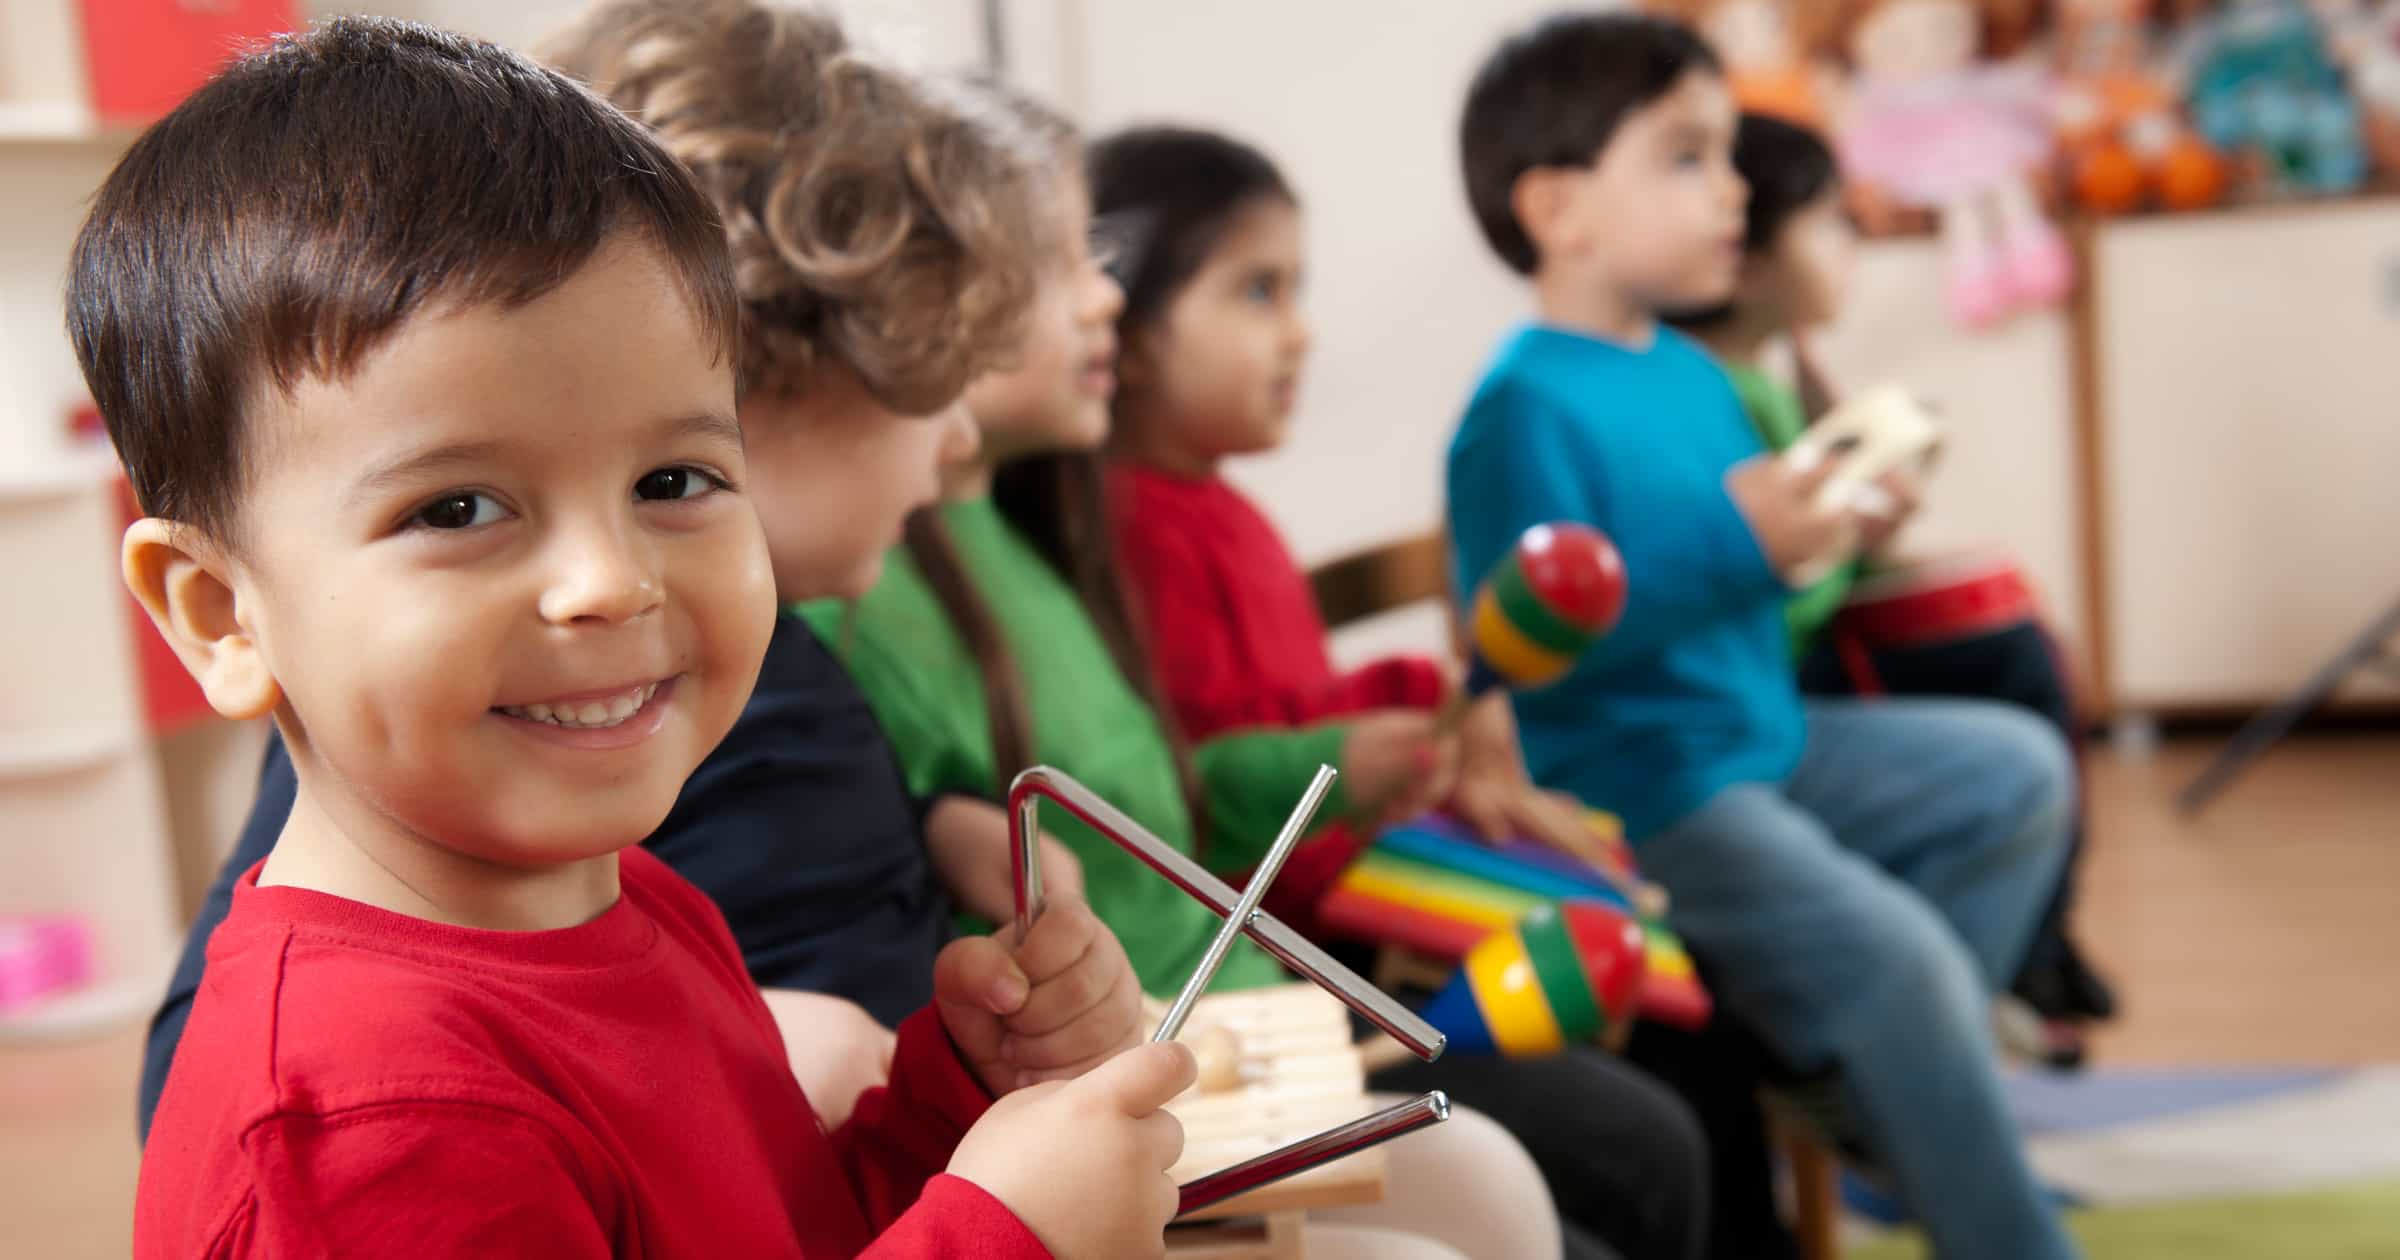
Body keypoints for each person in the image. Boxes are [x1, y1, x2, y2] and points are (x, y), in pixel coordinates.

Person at [84, 17, 1182, 1256]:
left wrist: (961, 1111)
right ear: (223, 615)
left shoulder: (632, 903)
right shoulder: (370, 1130)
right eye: (456, 508)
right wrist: (1005, 1236)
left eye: (673, 480)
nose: (609, 582)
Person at [805, 89, 1708, 1260]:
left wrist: (1355, 749)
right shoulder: (881, 593)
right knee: (1608, 1164)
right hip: (1159, 1063)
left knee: (1570, 1158)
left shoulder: (1038, 541)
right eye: (1063, 263)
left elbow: (1163, 802)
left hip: (1243, 1013)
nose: (1106, 303)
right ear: (915, 310)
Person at [1446, 12, 2081, 1259]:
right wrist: (1747, 545)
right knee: (1906, 973)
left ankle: (1859, 1088)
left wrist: (1833, 525)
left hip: (1767, 742)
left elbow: (1748, 574)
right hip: (1650, 792)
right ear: (1561, 211)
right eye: (1688, 158)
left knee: (2020, 775)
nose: (1733, 189)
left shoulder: (1686, 370)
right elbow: (1531, 648)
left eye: (1729, 156)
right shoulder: (1519, 409)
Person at [1665, 111, 2118, 1065]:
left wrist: (1864, 535)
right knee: (2015, 662)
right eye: (1828, 222)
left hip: (1781, 671)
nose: (1851, 245)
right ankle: (1998, 966)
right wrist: (1845, 540)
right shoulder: (1719, 396)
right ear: (1744, 261)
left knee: (2019, 647)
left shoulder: (1770, 380)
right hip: (1765, 695)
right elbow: (1762, 603)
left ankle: (2016, 950)